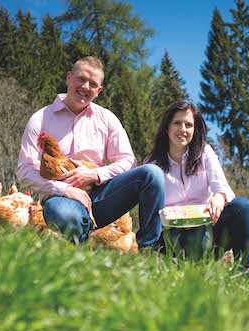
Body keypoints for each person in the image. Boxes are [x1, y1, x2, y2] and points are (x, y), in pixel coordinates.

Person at [16, 56, 165, 249]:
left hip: (102, 195)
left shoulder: (106, 118)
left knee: (152, 174)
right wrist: (64, 189)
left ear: (99, 91)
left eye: (93, 84)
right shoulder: (41, 118)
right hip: (63, 199)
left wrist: (94, 174)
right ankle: (83, 249)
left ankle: (149, 249)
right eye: (81, 79)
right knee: (61, 212)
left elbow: (128, 160)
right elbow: (24, 171)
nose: (85, 87)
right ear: (68, 78)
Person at [145, 101, 249, 269]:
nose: (183, 129)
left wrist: (219, 197)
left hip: (207, 231)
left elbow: (224, 189)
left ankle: (244, 274)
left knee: (244, 207)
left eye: (188, 125)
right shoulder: (152, 165)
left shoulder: (205, 152)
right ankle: (179, 264)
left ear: (194, 130)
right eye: (177, 123)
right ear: (167, 127)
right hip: (171, 239)